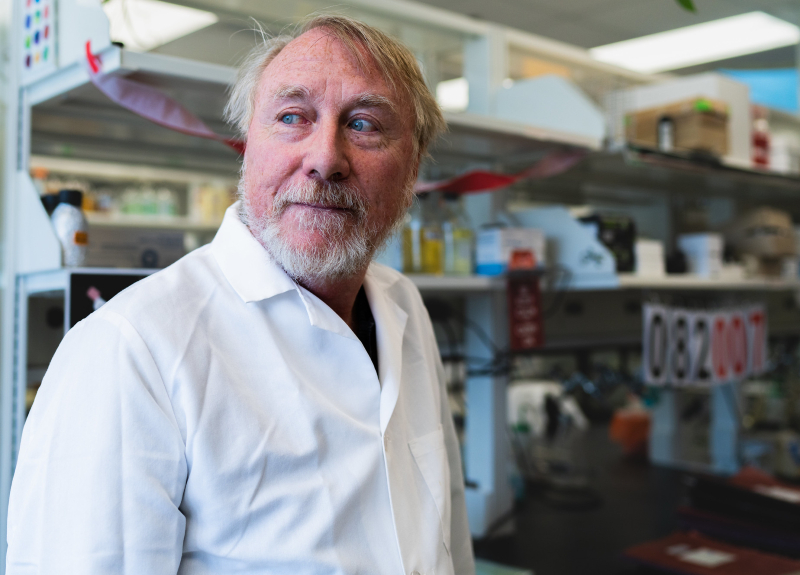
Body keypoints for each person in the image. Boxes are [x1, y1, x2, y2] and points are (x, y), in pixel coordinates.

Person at [6, 14, 475, 575]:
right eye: (292, 117)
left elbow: (446, 535)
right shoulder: (129, 349)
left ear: (414, 167)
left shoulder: (402, 306)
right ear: (248, 145)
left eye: (365, 124)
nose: (325, 158)